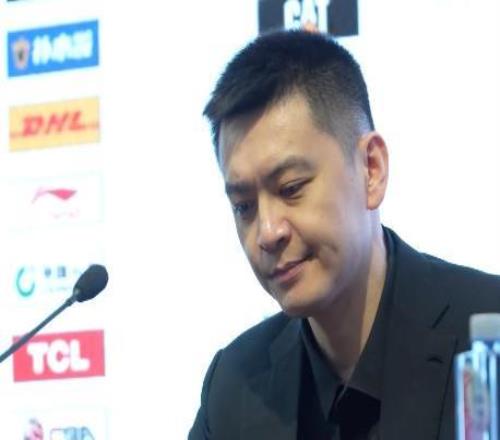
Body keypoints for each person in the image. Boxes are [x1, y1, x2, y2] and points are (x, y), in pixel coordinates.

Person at [188, 30, 500, 440]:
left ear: (371, 169)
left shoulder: (488, 332)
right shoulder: (234, 386)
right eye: (244, 206)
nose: (267, 232)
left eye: (291, 188)